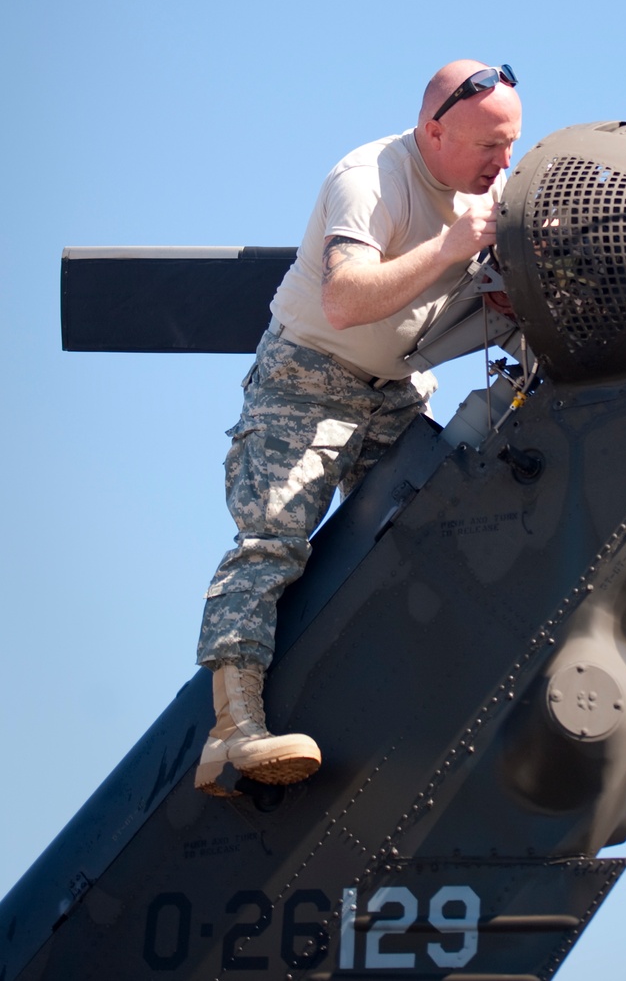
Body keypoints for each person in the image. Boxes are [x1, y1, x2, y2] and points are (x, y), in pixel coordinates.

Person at [193, 60, 522, 795]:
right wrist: (450, 247)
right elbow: (343, 300)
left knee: (428, 537)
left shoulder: (490, 189)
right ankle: (232, 733)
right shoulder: (370, 177)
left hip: (399, 386)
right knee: (270, 541)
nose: (503, 164)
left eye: (511, 147)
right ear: (433, 130)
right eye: (487, 148)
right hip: (309, 378)